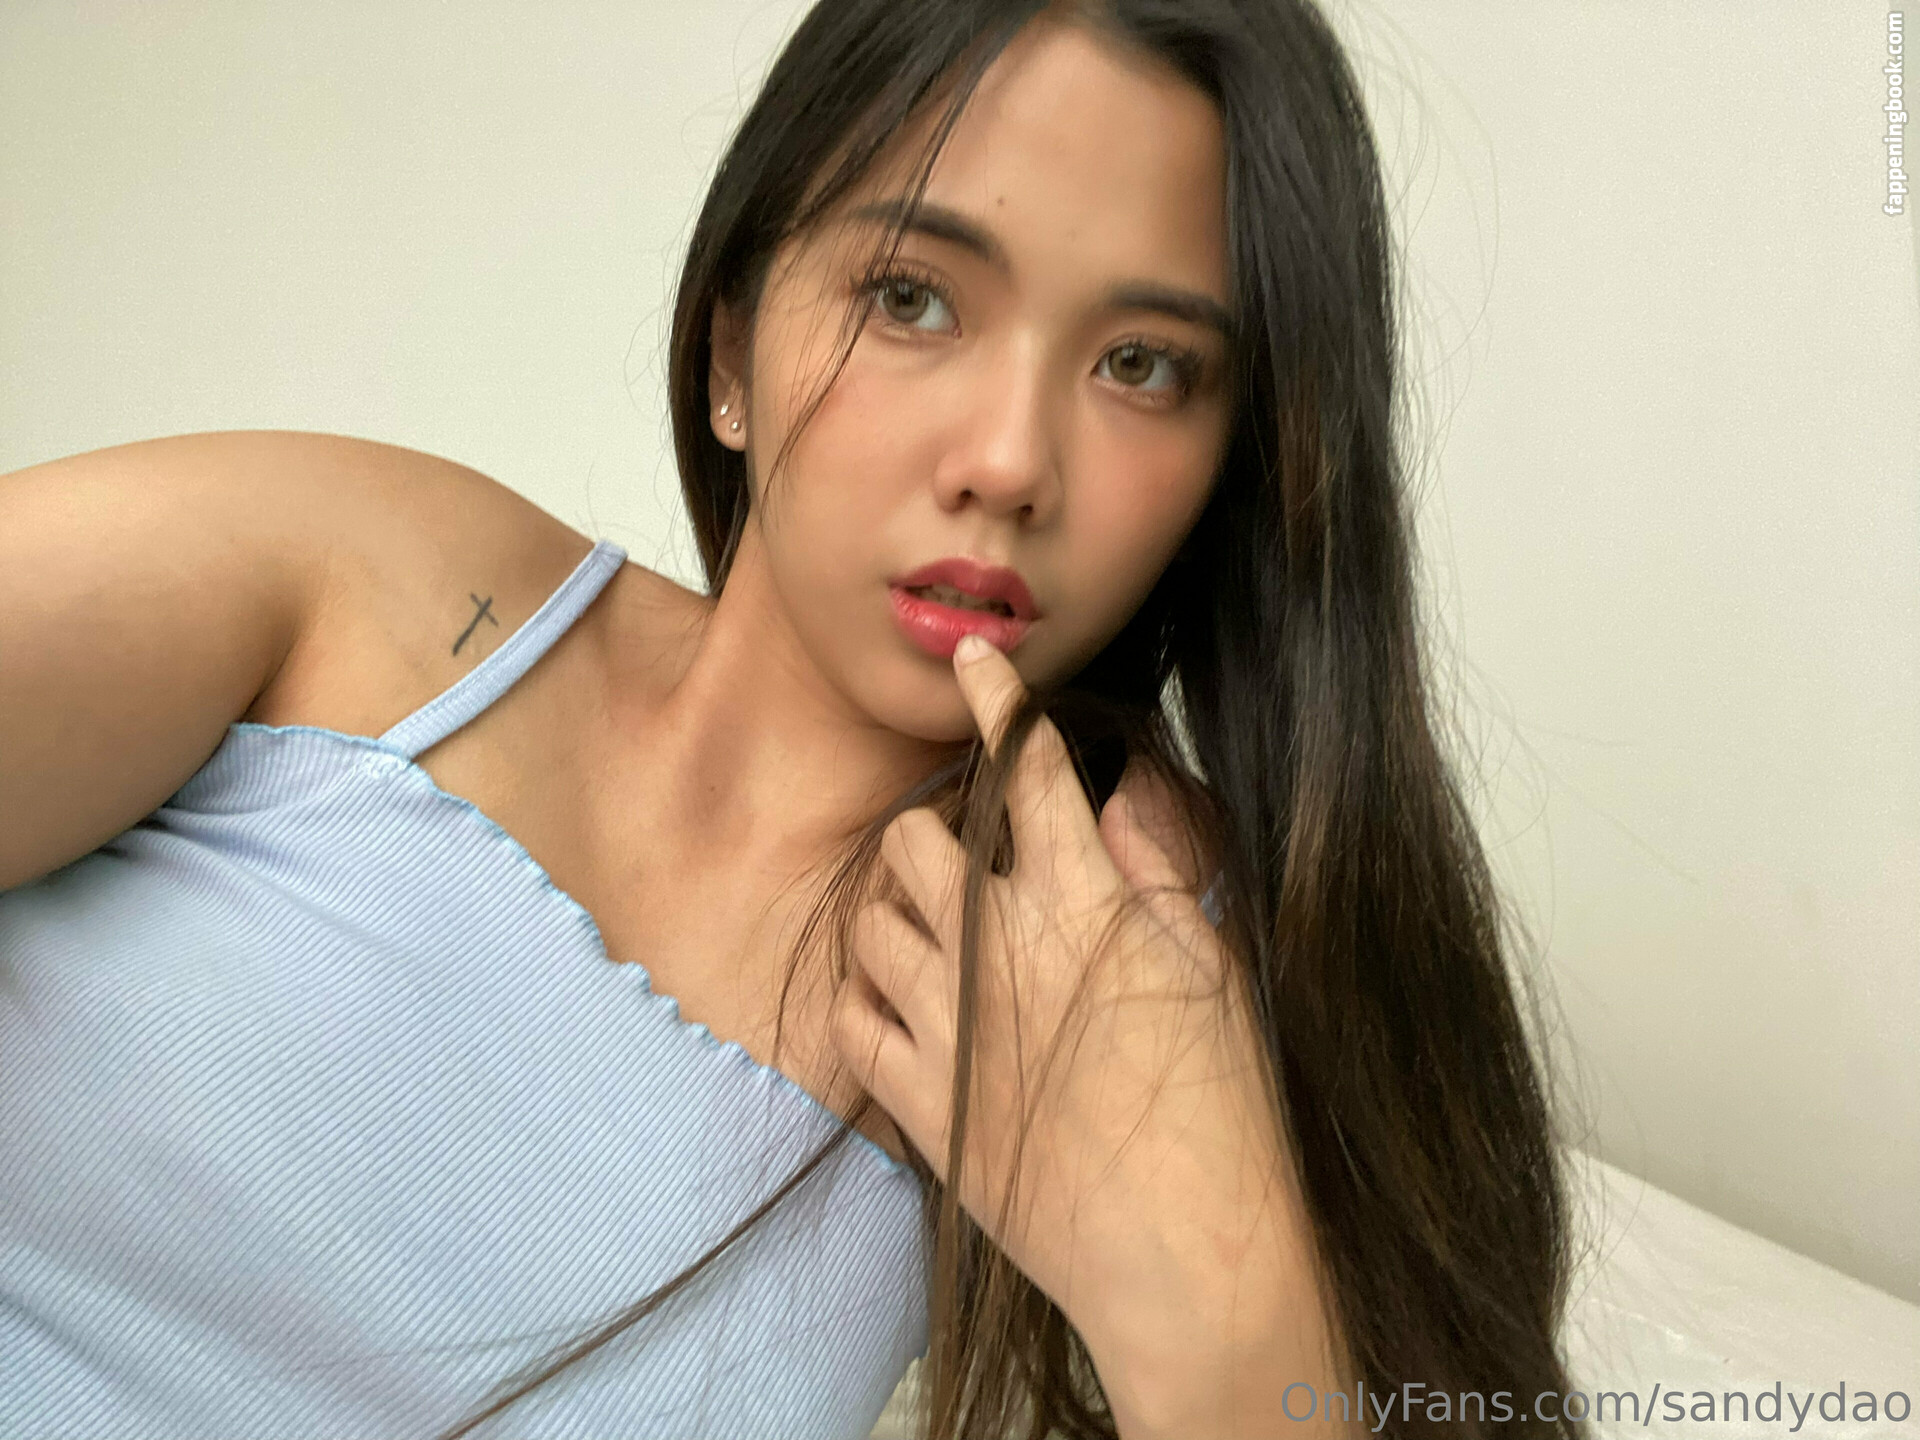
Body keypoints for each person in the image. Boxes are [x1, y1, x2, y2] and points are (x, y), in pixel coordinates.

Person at [0, 1, 1586, 1437]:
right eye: (912, 297)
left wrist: (1219, 1312)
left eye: (1142, 365)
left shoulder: (1143, 942)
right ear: (729, 353)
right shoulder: (367, 588)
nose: (1009, 460)